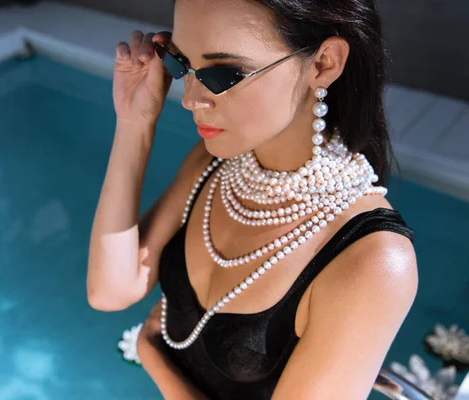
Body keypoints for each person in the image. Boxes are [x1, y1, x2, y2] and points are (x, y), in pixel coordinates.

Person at [87, 0, 418, 398]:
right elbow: (111, 289)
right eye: (180, 63)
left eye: (224, 73)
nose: (191, 98)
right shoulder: (214, 168)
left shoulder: (374, 261)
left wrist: (151, 354)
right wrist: (134, 124)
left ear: (323, 64)